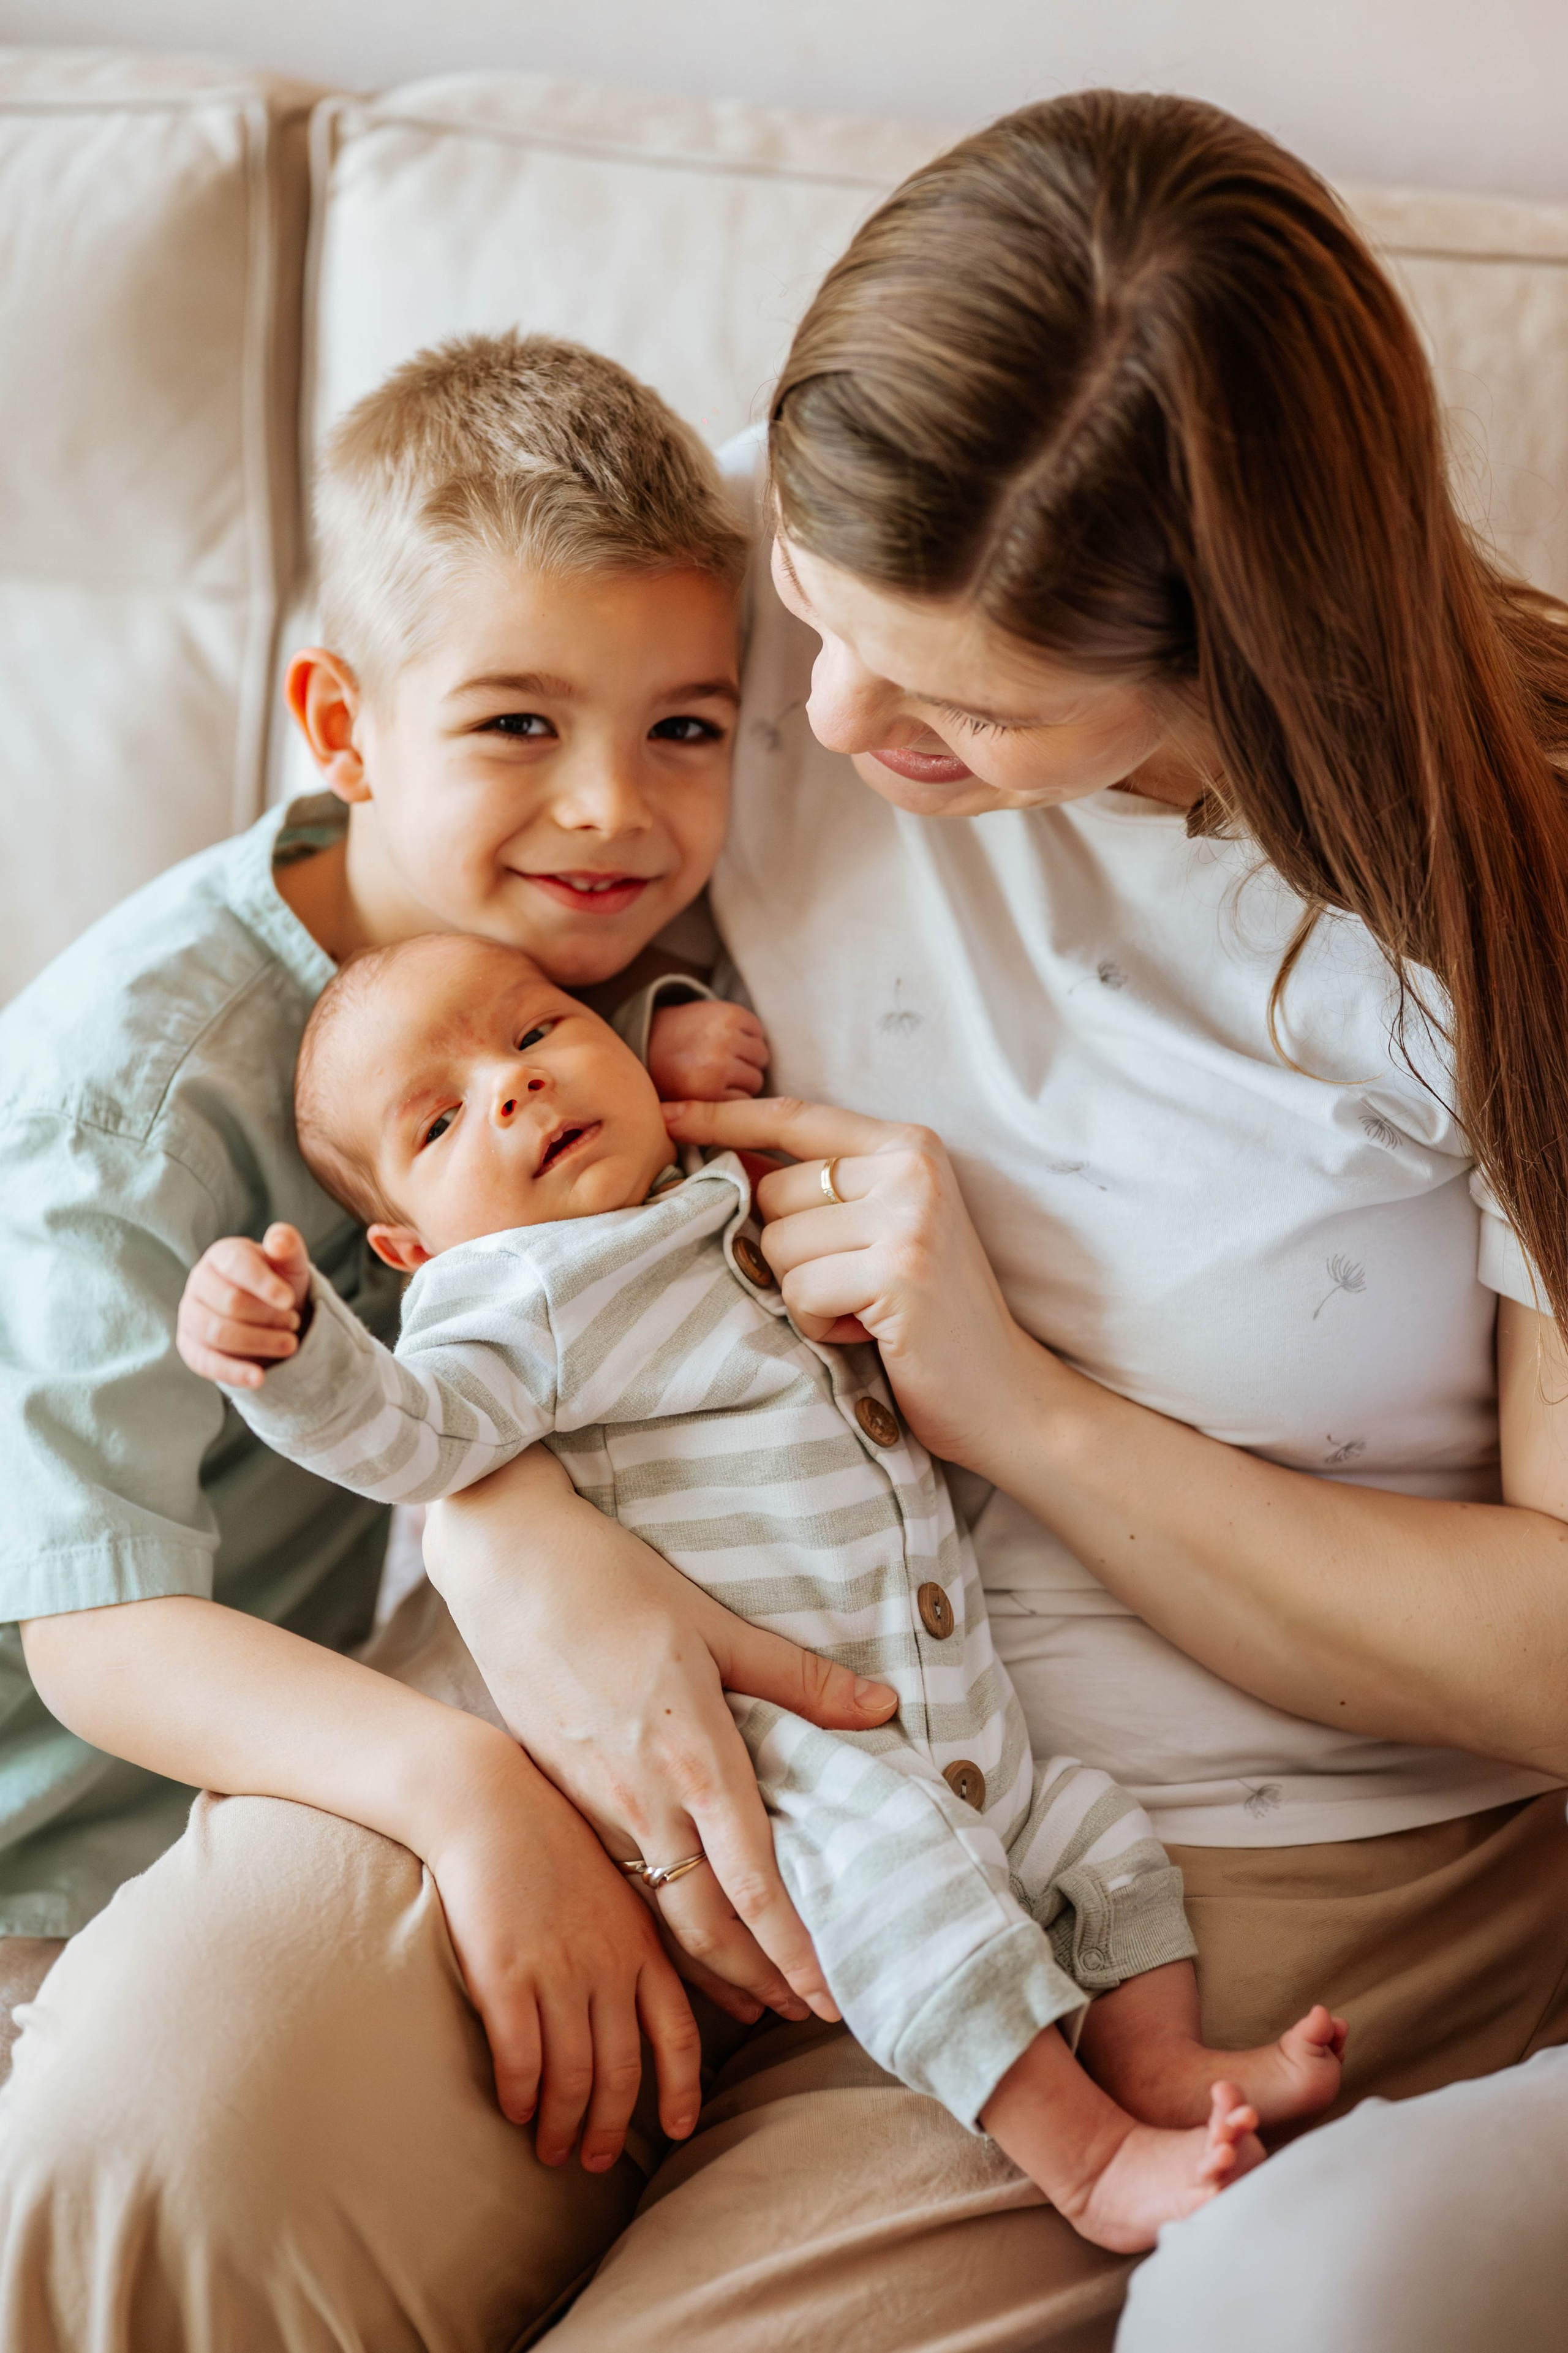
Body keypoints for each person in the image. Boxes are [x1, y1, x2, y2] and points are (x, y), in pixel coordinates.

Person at [0, 330, 900, 2342]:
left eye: (685, 727)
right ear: (344, 722)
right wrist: (466, 1793)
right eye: (516, 723)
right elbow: (92, 1630)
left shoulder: (607, 960)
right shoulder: (137, 1097)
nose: (615, 808)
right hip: (53, 1850)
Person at [178, 927, 1353, 2248]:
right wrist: (289, 1359)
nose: (508, 1088)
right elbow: (412, 1435)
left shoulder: (697, 1183)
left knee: (1093, 1833)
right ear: (407, 1248)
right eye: (441, 1120)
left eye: (532, 1034)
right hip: (796, 1761)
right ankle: (1085, 2165)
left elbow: (692, 1025)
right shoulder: (510, 1300)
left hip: (957, 1709)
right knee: (917, 1908)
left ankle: (1157, 2061)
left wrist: (671, 1029)